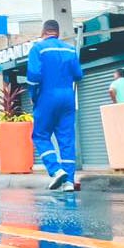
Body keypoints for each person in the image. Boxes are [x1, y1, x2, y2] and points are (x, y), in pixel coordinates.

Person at [26, 19, 84, 192]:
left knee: (40, 136)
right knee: (66, 140)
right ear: (57, 33)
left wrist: (33, 96)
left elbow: (34, 75)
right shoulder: (70, 49)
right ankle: (69, 182)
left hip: (46, 97)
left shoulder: (38, 48)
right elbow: (78, 75)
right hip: (67, 99)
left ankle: (55, 170)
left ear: (43, 32)